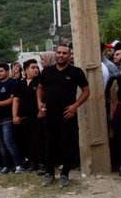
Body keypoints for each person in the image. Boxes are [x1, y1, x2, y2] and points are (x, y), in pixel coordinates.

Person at [37, 44, 90, 187]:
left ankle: (65, 174)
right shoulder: (47, 71)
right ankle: (49, 173)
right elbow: (40, 88)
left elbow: (86, 91)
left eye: (64, 53)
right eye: (59, 52)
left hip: (67, 115)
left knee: (66, 144)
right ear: (55, 54)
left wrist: (75, 106)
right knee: (49, 144)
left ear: (69, 55)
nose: (61, 55)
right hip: (50, 114)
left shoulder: (76, 72)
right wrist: (39, 102)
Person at [0, 63, 23, 174]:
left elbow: (12, 99)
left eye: (1, 71)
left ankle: (19, 165)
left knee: (8, 141)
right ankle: (6, 166)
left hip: (7, 116)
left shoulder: (13, 82)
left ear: (7, 72)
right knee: (1, 143)